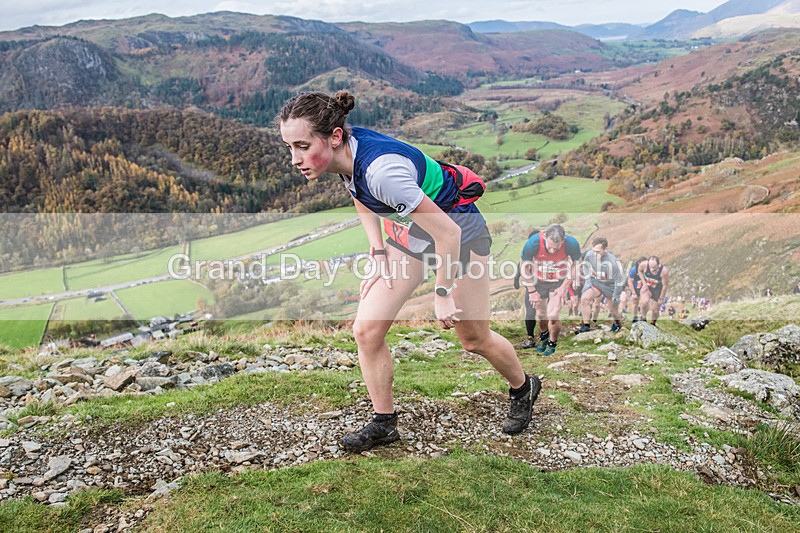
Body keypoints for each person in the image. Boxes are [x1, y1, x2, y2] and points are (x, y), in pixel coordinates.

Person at [278, 91, 541, 452]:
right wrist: (377, 249)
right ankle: (384, 423)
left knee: (474, 339)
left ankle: (524, 388)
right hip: (412, 233)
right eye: (289, 147)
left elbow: (448, 234)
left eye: (302, 146)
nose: (294, 159)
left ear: (334, 137)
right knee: (367, 330)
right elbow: (358, 191)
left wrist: (442, 293)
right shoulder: (344, 155)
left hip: (459, 232)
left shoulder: (382, 173)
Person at [519, 224, 581, 356]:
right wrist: (531, 290)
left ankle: (552, 343)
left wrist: (564, 287)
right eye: (549, 246)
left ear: (563, 240)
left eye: (556, 247)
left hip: (558, 282)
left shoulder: (571, 244)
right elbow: (524, 266)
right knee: (541, 315)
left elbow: (577, 264)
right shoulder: (533, 243)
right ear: (545, 237)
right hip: (538, 281)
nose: (552, 251)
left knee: (553, 315)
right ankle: (544, 336)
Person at [576, 237, 625, 333]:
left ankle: (617, 322)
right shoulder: (589, 254)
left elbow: (619, 282)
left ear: (605, 249)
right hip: (597, 282)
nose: (595, 254)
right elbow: (585, 266)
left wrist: (616, 296)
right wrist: (588, 281)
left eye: (598, 252)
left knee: (612, 310)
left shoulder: (613, 263)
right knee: (585, 298)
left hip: (611, 286)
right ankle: (586, 325)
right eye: (594, 251)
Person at [514, 229, 540, 349]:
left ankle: (532, 337)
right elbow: (520, 268)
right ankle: (532, 336)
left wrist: (516, 282)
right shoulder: (528, 253)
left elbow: (518, 271)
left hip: (539, 286)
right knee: (531, 311)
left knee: (532, 311)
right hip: (533, 287)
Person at [638, 256, 670, 326]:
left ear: (658, 265)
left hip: (658, 290)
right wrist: (644, 283)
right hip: (648, 287)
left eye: (654, 268)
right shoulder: (643, 264)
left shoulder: (664, 271)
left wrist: (661, 298)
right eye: (650, 267)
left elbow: (665, 286)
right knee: (644, 302)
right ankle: (643, 318)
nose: (652, 270)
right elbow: (639, 271)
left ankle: (653, 323)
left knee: (655, 310)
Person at [628, 256, 647, 323]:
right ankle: (635, 317)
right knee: (635, 303)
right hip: (636, 287)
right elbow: (630, 281)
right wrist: (633, 292)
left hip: (644, 287)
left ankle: (643, 317)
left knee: (644, 302)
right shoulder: (634, 269)